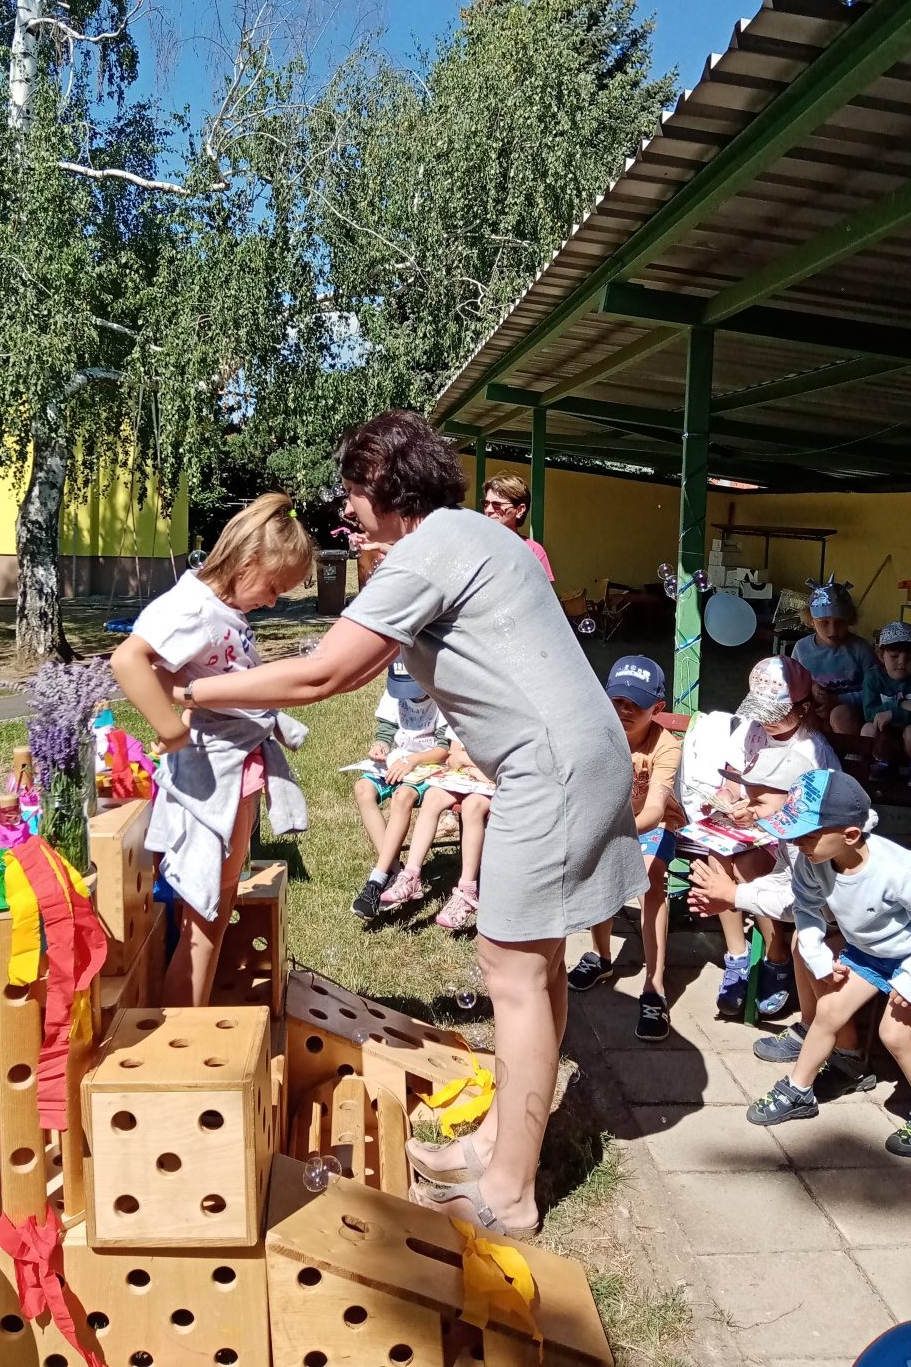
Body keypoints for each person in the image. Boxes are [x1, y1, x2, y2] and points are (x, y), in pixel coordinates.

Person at [164, 409, 645, 1238]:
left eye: (352, 491)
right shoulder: (470, 535)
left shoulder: (430, 551)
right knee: (534, 965)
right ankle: (497, 1144)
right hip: (578, 754)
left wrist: (191, 690)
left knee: (512, 971)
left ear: (385, 486)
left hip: (549, 770)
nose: (346, 508)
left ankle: (509, 1194)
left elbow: (325, 675)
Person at [109, 493, 313, 1006]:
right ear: (248, 561)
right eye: (273, 588)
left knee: (209, 914)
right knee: (208, 916)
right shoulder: (195, 607)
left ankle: (188, 1018)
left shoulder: (216, 607)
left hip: (231, 766)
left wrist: (178, 710)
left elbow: (178, 673)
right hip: (215, 772)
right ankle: (186, 1031)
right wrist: (172, 730)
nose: (273, 602)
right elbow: (129, 660)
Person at [746, 770, 911, 1157]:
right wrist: (818, 956)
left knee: (894, 1035)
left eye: (807, 835)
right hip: (870, 951)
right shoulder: (813, 860)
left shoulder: (897, 870)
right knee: (829, 1010)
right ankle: (799, 1090)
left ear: (850, 835)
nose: (797, 843)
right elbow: (806, 909)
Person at [689, 754, 875, 1096]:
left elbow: (798, 901)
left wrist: (734, 895)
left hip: (865, 936)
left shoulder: (819, 841)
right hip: (833, 922)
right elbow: (785, 882)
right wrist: (735, 895)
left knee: (811, 947)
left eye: (758, 801)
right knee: (802, 941)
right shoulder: (797, 836)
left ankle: (849, 1056)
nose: (749, 809)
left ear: (792, 798)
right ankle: (810, 1025)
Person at [677, 655, 838, 1017]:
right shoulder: (751, 729)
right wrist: (726, 801)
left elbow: (814, 814)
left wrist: (758, 816)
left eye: (774, 713)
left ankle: (775, 951)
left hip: (790, 837)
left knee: (746, 867)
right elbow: (733, 780)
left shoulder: (812, 750)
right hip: (753, 822)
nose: (764, 721)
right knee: (717, 854)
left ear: (802, 708)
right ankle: (737, 953)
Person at [566, 656, 684, 1041]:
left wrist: (614, 831)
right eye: (617, 700)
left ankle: (654, 985)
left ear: (658, 708)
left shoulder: (665, 746)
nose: (624, 710)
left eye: (636, 703)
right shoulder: (598, 736)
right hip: (610, 818)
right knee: (601, 871)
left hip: (652, 823)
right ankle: (601, 956)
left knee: (649, 877)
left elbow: (655, 809)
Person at [350, 660, 451, 921]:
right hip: (398, 761)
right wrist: (380, 746)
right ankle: (394, 871)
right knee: (362, 789)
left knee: (402, 796)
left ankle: (377, 879)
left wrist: (414, 761)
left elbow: (444, 749)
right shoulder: (394, 694)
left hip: (428, 766)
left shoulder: (442, 697)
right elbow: (386, 731)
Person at [377, 732, 493, 930]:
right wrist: (469, 765)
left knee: (472, 806)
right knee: (432, 797)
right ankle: (411, 875)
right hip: (467, 774)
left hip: (492, 780)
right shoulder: (464, 714)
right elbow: (453, 754)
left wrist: (468, 763)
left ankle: (467, 890)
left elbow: (498, 763)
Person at [792, 576, 879, 743]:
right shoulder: (802, 649)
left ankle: (853, 754)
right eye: (824, 623)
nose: (833, 630)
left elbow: (877, 690)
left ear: (849, 620)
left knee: (840, 715)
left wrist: (838, 700)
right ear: (811, 621)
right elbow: (792, 686)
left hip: (850, 716)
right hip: (815, 712)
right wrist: (811, 690)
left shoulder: (861, 649)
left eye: (839, 622)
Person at [861, 621, 911, 785]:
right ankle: (880, 763)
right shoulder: (873, 678)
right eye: (894, 656)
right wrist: (899, 706)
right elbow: (869, 713)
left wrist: (893, 714)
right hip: (885, 734)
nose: (902, 662)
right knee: (867, 729)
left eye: (909, 658)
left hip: (910, 737)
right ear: (881, 655)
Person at [482, 472, 554, 582]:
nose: (488, 510)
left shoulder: (533, 551)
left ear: (520, 510)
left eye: (497, 505)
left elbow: (541, 591)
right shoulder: (475, 543)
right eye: (486, 504)